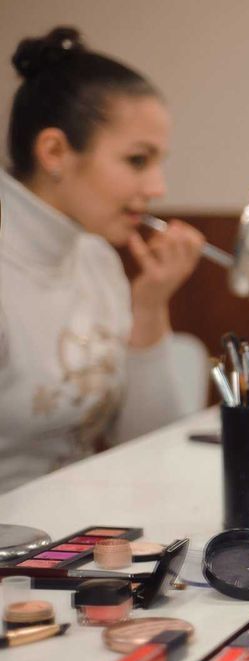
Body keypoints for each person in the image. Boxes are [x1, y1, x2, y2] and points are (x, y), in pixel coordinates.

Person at [0, 27, 204, 493]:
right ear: (54, 151)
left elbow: (150, 445)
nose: (158, 188)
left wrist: (150, 307)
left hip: (75, 535)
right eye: (137, 160)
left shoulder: (94, 255)